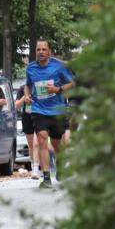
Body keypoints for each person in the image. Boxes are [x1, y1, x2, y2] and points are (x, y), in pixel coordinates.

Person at [23, 40, 74, 189]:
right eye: (38, 49)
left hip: (57, 110)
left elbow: (73, 83)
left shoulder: (59, 66)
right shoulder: (31, 68)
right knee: (42, 140)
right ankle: (46, 178)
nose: (41, 52)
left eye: (44, 49)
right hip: (38, 109)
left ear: (50, 52)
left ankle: (60, 162)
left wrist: (58, 90)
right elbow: (28, 85)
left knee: (57, 143)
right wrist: (26, 95)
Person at [15, 84, 40, 178]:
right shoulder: (22, 88)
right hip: (27, 118)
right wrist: (25, 97)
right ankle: (34, 166)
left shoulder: (39, 85)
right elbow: (16, 105)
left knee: (36, 144)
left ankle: (37, 168)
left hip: (39, 116)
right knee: (31, 145)